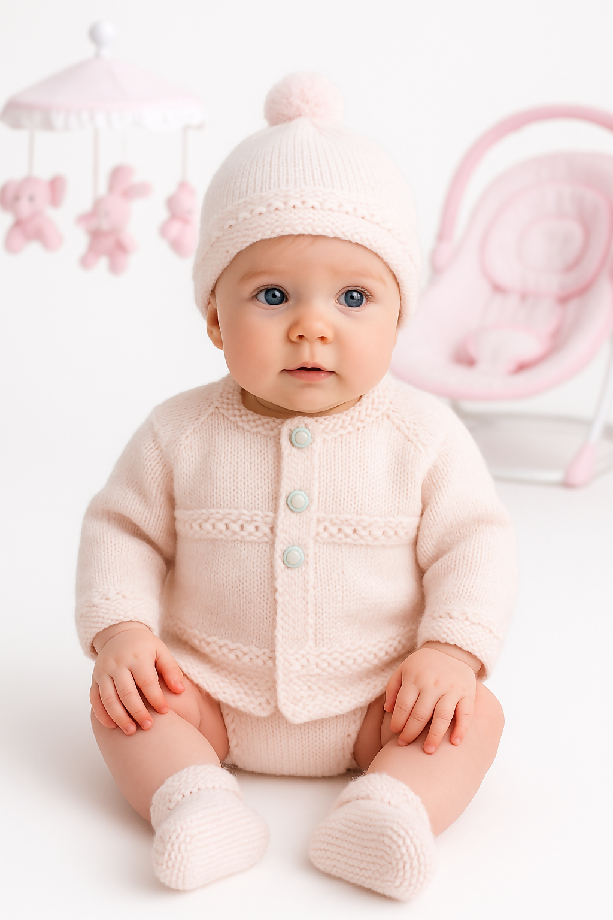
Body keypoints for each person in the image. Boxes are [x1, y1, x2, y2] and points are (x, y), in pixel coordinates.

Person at [76, 72, 517, 901]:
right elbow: (121, 532)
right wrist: (123, 635)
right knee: (123, 708)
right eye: (271, 295)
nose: (312, 325)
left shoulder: (420, 434)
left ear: (398, 317)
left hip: (377, 700)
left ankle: (389, 809)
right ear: (214, 318)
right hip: (206, 692)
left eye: (354, 297)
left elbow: (475, 542)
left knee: (474, 718)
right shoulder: (178, 431)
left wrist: (449, 653)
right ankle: (195, 801)